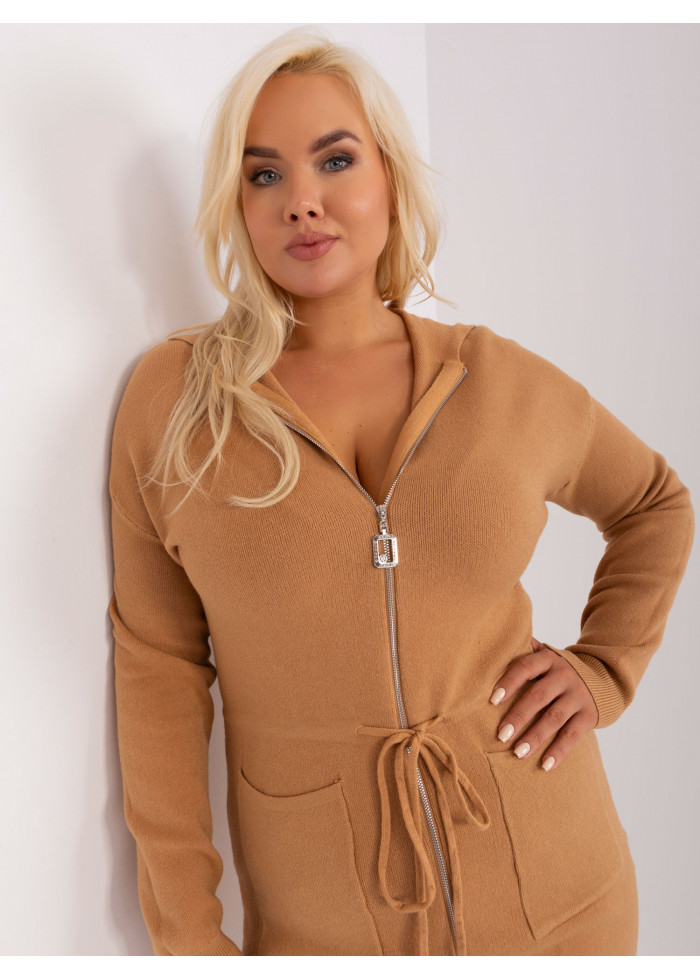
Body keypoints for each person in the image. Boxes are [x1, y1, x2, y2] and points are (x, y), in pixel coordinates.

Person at [107, 28, 694, 957]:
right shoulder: (179, 404)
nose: (302, 200)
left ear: (387, 175)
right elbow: (159, 670)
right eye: (264, 175)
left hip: (566, 904)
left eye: (335, 159)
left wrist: (603, 668)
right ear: (237, 205)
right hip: (325, 932)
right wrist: (189, 939)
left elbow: (655, 502)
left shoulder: (497, 382)